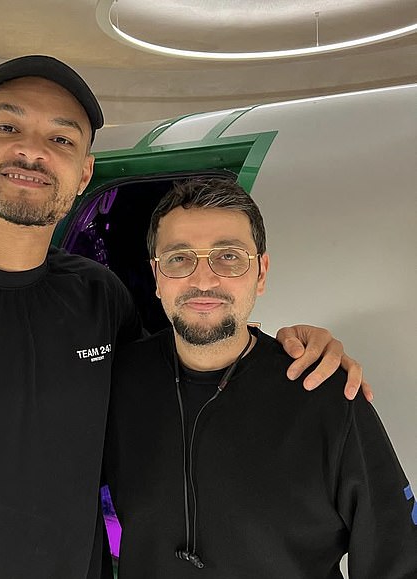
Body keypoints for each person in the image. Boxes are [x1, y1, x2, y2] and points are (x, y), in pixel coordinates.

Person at [0, 56, 365, 578]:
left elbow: (177, 385)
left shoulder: (98, 296)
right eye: (7, 127)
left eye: (60, 138)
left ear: (83, 174)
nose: (32, 151)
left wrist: (287, 347)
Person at [103, 177, 417, 578]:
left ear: (261, 272)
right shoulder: (117, 383)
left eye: (228, 256)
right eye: (179, 258)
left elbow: (397, 560)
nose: (203, 280)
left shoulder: (325, 395)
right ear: (157, 277)